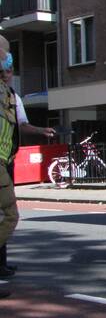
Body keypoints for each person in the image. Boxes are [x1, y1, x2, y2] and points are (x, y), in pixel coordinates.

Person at [0, 54, 55, 276]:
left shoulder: (13, 97)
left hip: (6, 162)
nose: (5, 75)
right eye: (2, 71)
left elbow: (22, 125)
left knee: (6, 216)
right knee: (9, 215)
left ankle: (1, 263)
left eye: (9, 70)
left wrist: (41, 131)